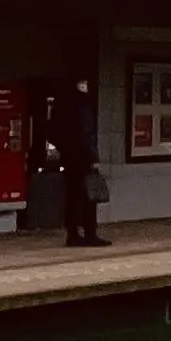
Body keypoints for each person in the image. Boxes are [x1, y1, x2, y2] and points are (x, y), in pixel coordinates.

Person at [48, 78, 107, 244]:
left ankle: (72, 234)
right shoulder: (83, 105)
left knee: (72, 197)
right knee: (89, 196)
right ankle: (90, 233)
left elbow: (52, 131)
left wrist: (64, 148)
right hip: (83, 158)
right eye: (84, 83)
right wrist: (93, 157)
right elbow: (87, 134)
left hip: (68, 158)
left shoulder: (61, 105)